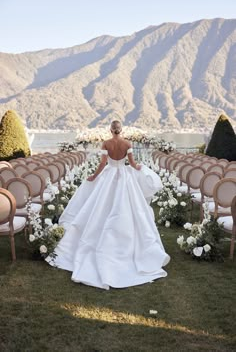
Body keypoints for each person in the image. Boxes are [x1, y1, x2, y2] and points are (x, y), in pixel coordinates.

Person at [46, 120, 170, 290]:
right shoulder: (127, 143)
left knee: (99, 206)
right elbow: (132, 164)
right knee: (130, 209)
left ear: (111, 130)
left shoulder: (106, 143)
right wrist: (140, 168)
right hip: (124, 178)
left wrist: (94, 177)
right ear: (121, 130)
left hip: (109, 176)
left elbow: (103, 164)